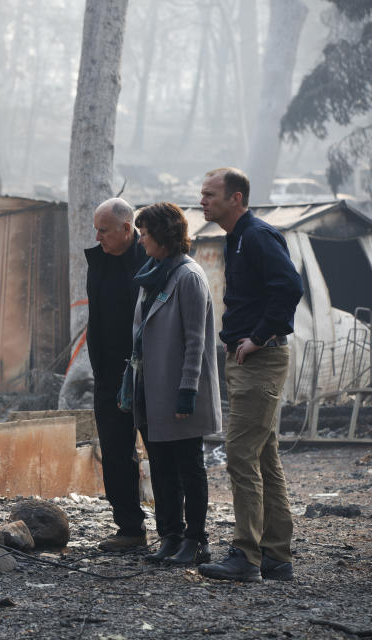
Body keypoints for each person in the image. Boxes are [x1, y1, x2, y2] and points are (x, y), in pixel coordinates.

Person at [198, 167, 303, 582]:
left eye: (210, 194)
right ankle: (276, 555)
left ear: (235, 198)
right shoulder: (234, 238)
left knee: (241, 454)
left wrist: (257, 337)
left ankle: (246, 556)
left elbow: (289, 287)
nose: (202, 200)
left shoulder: (258, 236)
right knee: (263, 456)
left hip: (260, 359)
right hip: (246, 360)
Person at [130, 202, 220, 565]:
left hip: (179, 390)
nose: (140, 240)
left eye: (145, 233)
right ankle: (170, 535)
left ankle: (197, 540)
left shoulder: (188, 276)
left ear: (163, 235)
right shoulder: (153, 274)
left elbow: (196, 339)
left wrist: (187, 391)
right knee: (162, 464)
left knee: (188, 466)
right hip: (152, 388)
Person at [85, 197, 149, 551]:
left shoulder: (151, 257)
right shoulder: (99, 261)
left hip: (148, 370)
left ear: (128, 229)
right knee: (115, 450)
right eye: (95, 229)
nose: (98, 238)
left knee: (161, 447)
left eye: (104, 231)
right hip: (109, 372)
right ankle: (129, 529)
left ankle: (177, 531)